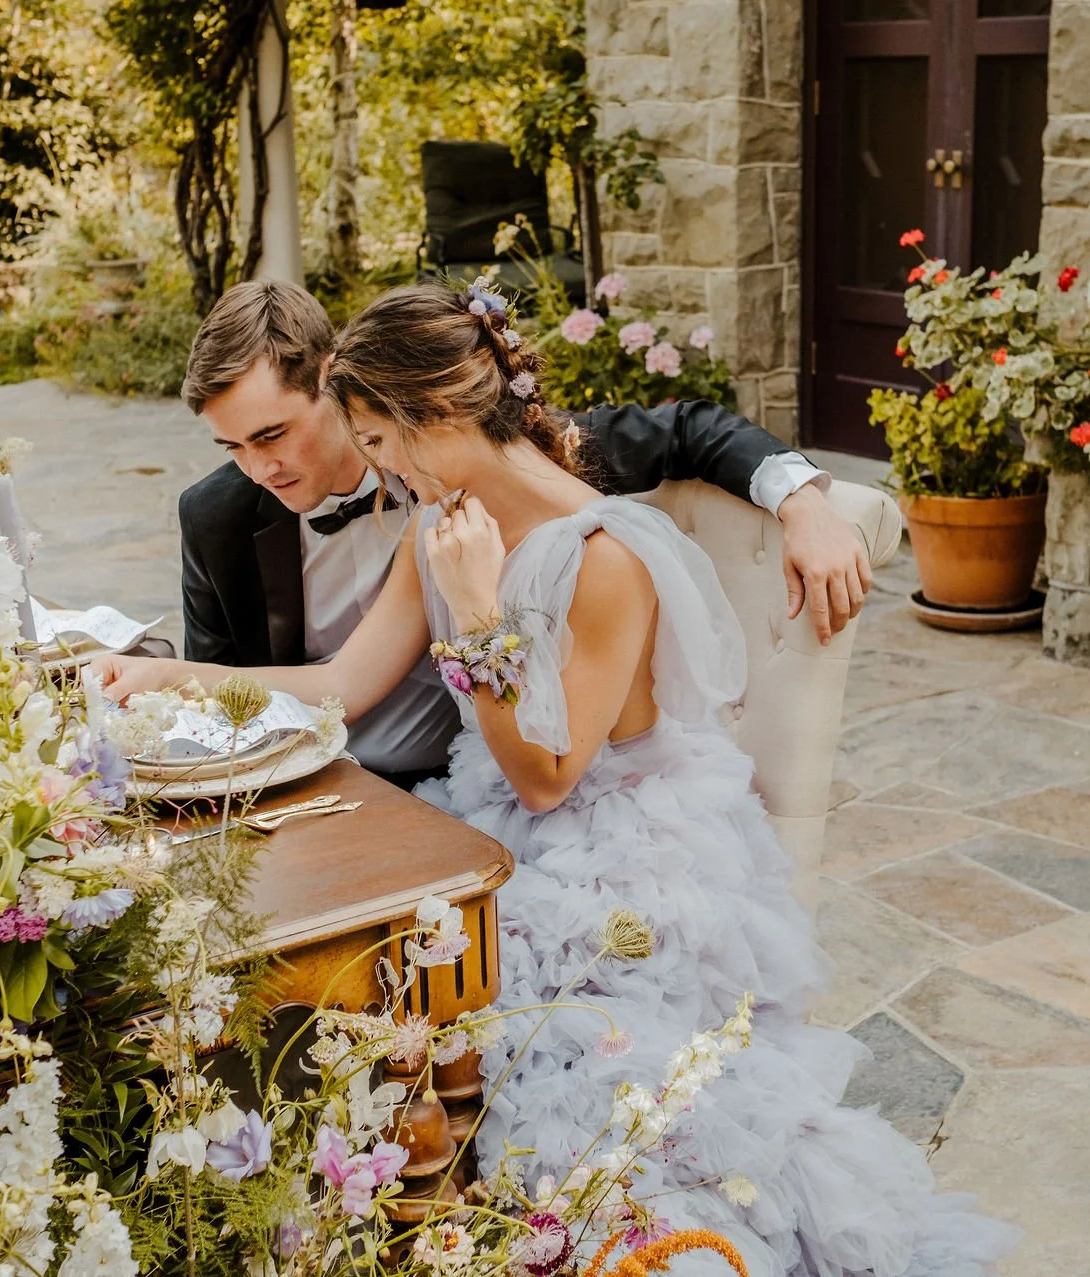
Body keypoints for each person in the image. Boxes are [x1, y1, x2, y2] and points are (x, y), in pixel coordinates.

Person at [99, 284, 1017, 1277]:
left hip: (610, 842)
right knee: (390, 960)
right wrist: (164, 676)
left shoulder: (603, 554)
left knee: (516, 1039)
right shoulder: (438, 516)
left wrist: (476, 608)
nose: (377, 470)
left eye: (379, 442)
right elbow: (340, 685)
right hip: (492, 811)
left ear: (434, 416)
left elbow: (545, 776)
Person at [134, 280, 870, 788]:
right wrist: (162, 676)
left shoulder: (512, 465)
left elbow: (690, 427)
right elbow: (326, 690)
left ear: (333, 383)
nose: (258, 469)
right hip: (324, 777)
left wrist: (802, 498)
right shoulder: (219, 515)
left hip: (475, 780)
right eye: (234, 449)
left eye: (272, 434)